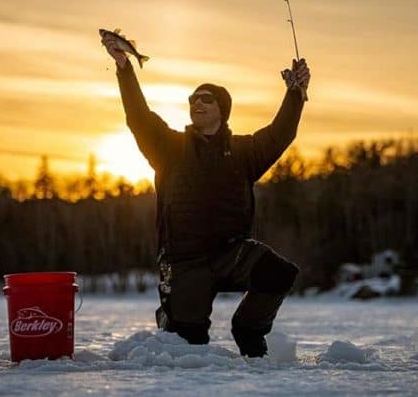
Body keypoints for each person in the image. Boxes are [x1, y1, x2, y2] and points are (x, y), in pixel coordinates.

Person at [102, 34, 310, 357]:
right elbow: (138, 117)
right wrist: (124, 68)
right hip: (185, 261)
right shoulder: (169, 148)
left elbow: (280, 133)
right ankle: (172, 318)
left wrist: (296, 94)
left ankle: (249, 329)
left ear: (222, 111)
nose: (196, 103)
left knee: (278, 273)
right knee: (188, 347)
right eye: (193, 99)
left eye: (206, 99)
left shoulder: (243, 152)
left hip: (231, 254)